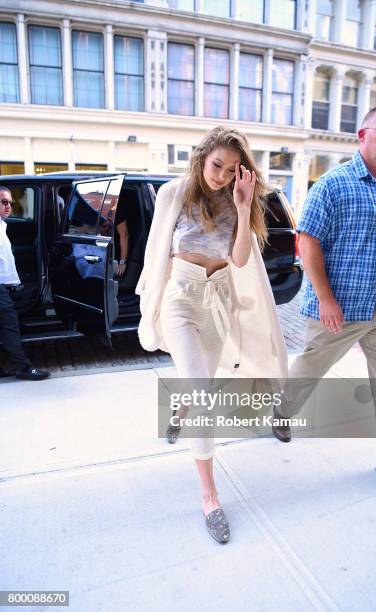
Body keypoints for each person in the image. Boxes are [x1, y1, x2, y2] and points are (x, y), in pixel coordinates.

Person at [136, 127, 287, 543]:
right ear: (202, 156)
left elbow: (239, 259)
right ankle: (210, 496)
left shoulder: (239, 198)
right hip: (181, 299)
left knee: (205, 382)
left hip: (219, 299)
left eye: (231, 169)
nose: (221, 175)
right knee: (203, 396)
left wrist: (241, 209)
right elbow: (156, 251)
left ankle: (179, 408)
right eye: (216, 164)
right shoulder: (174, 193)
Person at [272, 105, 376, 488]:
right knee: (311, 368)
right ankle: (282, 411)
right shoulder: (333, 184)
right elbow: (308, 242)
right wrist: (327, 299)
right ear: (362, 135)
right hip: (341, 307)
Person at [0, 186, 50, 381]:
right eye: (3, 202)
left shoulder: (2, 225)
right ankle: (22, 367)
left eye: (10, 203)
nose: (8, 207)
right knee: (9, 325)